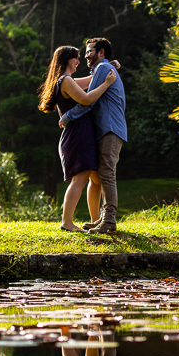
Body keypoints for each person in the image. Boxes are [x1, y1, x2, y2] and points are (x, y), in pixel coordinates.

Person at [38, 46, 116, 232]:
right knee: (79, 179)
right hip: (77, 136)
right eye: (76, 58)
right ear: (67, 60)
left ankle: (96, 220)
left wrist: (109, 66)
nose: (78, 62)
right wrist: (106, 84)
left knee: (95, 179)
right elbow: (87, 99)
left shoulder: (68, 80)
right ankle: (67, 223)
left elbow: (91, 80)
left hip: (82, 134)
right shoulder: (65, 81)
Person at [59, 37, 127, 234]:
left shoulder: (103, 69)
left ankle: (109, 221)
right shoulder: (101, 70)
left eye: (89, 51)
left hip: (110, 129)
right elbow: (90, 90)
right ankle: (101, 220)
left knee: (106, 174)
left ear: (101, 52)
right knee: (100, 176)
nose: (87, 55)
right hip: (104, 130)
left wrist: (68, 116)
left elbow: (89, 101)